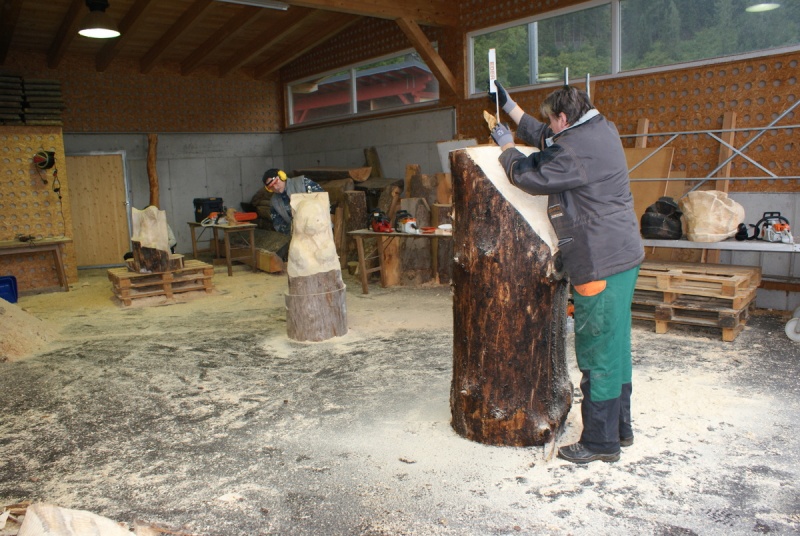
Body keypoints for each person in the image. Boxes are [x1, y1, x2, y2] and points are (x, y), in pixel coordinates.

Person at [489, 81, 644, 464]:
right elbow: (548, 137)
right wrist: (510, 107)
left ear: (564, 117)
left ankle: (600, 443)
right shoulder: (600, 129)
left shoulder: (574, 150)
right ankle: (619, 430)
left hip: (598, 260)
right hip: (622, 255)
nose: (550, 127)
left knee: (597, 351)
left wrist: (507, 150)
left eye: (552, 120)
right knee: (616, 346)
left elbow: (530, 175)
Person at [262, 168, 325, 259]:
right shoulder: (274, 202)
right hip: (299, 237)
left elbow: (322, 200)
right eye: (271, 187)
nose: (275, 188)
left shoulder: (302, 183)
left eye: (276, 182)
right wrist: (295, 232)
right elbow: (279, 224)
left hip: (320, 230)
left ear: (282, 176)